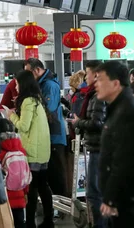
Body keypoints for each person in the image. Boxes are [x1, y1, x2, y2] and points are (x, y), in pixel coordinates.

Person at [96, 61, 134, 228]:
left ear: (115, 83)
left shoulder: (128, 111)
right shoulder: (118, 107)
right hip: (123, 196)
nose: (95, 84)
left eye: (100, 79)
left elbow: (124, 160)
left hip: (128, 197)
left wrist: (111, 198)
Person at [8, 70, 52, 228]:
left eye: (17, 84)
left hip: (32, 151)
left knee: (32, 189)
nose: (16, 87)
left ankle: (31, 223)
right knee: (43, 186)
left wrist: (11, 115)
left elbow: (23, 126)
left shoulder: (27, 101)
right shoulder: (37, 100)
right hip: (43, 150)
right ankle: (48, 220)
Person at [24, 58, 67, 197]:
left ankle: (63, 211)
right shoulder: (41, 84)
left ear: (37, 70)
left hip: (54, 136)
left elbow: (47, 110)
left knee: (56, 175)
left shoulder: (49, 85)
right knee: (49, 176)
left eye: (28, 72)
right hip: (46, 136)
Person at [73, 60, 107, 228]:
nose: (86, 77)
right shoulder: (93, 95)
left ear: (95, 74)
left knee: (95, 193)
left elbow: (97, 123)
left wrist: (79, 122)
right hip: (96, 146)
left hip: (99, 148)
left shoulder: (97, 96)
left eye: (87, 73)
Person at [0, 118, 29, 228]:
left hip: (4, 200)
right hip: (19, 196)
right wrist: (25, 192)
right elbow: (25, 174)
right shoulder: (21, 150)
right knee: (20, 223)